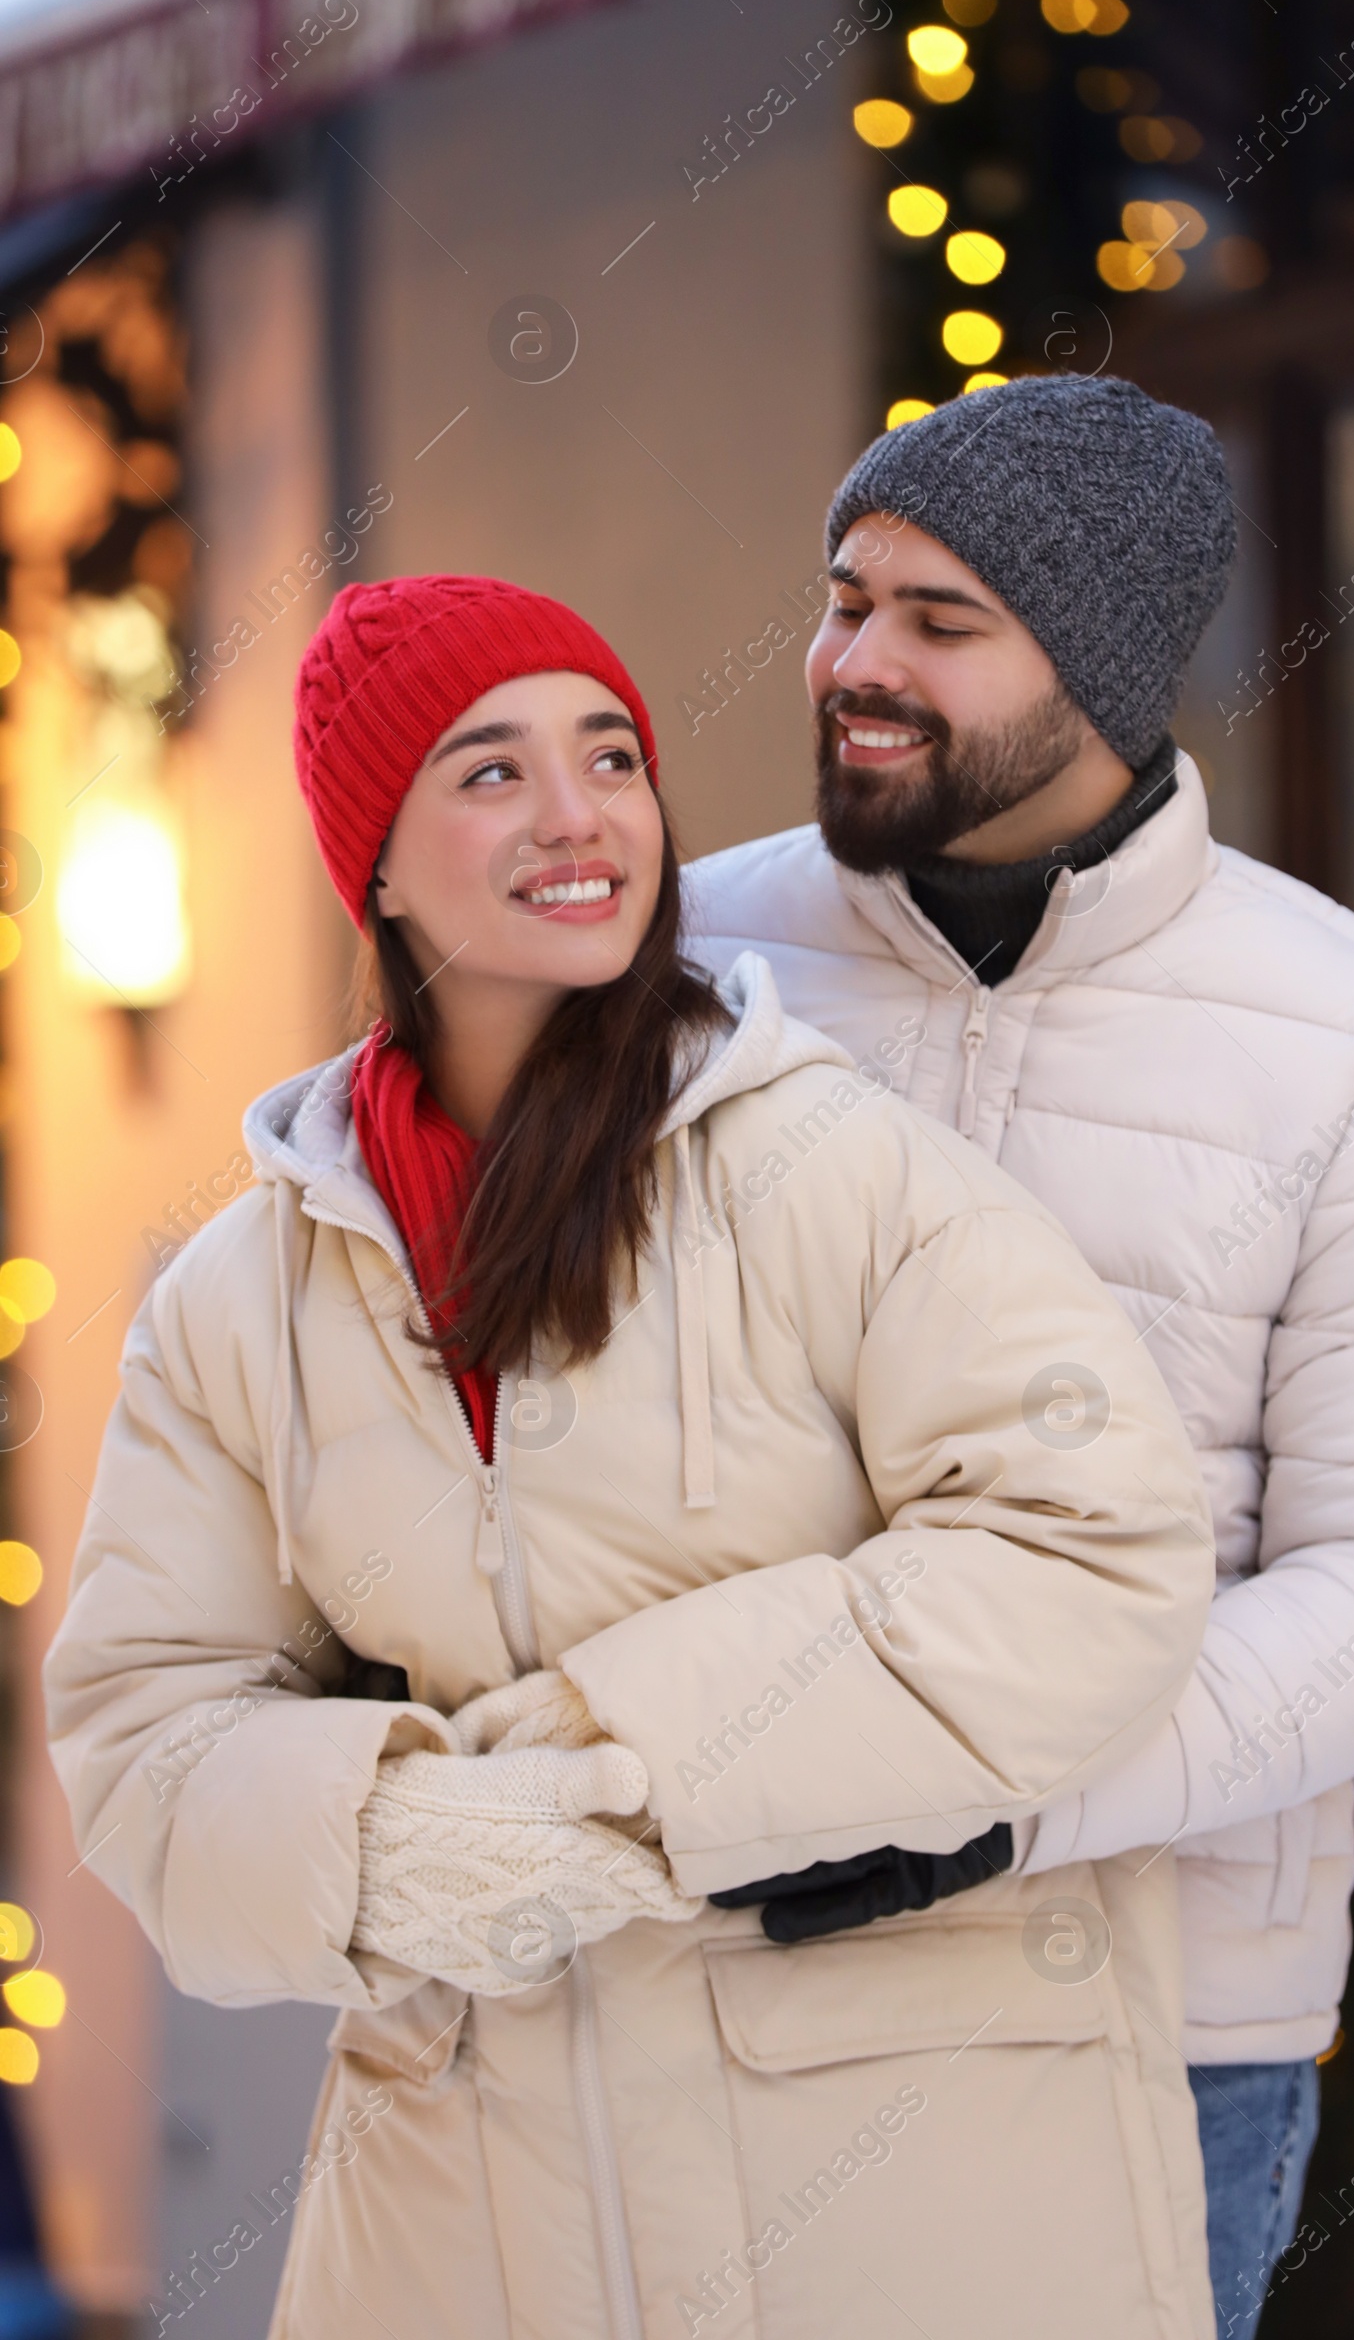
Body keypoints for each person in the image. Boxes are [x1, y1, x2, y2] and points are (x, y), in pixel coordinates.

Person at [45, 577, 1220, 2340]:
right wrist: (385, 1844)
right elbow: (146, 1725)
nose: (580, 814)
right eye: (490, 772)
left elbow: (1092, 1549)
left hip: (909, 2197)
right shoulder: (243, 1296)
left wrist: (640, 1749)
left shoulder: (826, 1164)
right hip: (462, 2215)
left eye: (610, 755)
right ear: (371, 859)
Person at [684, 375, 1354, 2339]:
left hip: (1140, 2026)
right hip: (693, 1979)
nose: (850, 664)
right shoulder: (678, 971)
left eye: (936, 621)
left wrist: (994, 1803)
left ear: (1096, 663)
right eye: (843, 597)